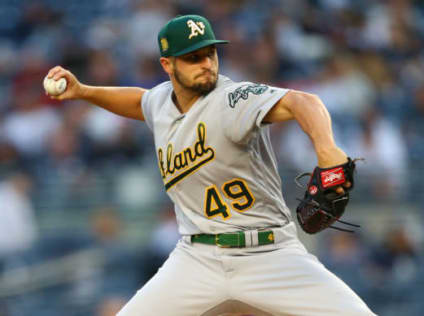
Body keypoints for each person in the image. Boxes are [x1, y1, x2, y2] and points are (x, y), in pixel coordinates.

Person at [45, 14, 375, 316]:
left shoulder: (233, 99)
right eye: (193, 58)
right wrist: (85, 91)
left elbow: (304, 101)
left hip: (270, 254)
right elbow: (138, 101)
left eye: (210, 53)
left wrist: (327, 149)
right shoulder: (160, 100)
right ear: (167, 65)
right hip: (196, 259)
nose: (206, 64)